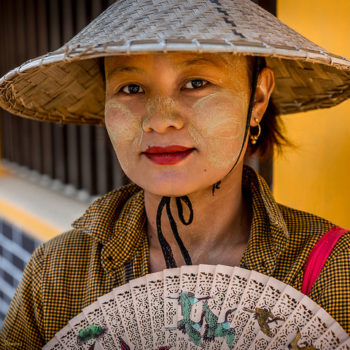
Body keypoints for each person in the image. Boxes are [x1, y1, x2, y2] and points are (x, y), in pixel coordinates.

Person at [0, 0, 349, 348]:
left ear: (257, 98)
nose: (159, 119)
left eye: (196, 82)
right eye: (131, 88)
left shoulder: (332, 271)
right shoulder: (59, 272)